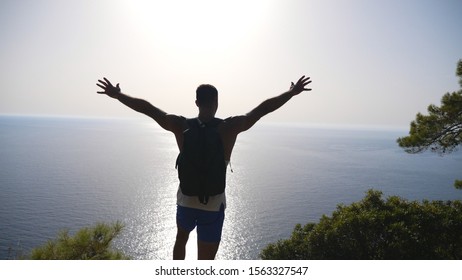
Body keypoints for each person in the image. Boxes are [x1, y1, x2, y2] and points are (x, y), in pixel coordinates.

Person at [96, 75, 312, 259]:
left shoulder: (179, 125)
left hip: (186, 199)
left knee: (181, 239)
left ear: (196, 102)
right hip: (213, 204)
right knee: (206, 258)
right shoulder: (229, 127)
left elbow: (148, 109)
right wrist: (291, 92)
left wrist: (118, 96)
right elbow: (263, 109)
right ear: (216, 102)